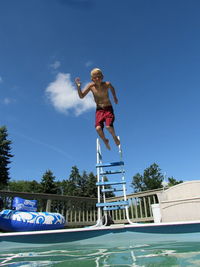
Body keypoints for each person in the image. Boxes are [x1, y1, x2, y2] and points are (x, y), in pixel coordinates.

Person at [75, 68, 120, 150]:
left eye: (99, 77)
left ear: (102, 77)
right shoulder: (91, 86)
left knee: (108, 127)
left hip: (108, 108)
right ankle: (105, 140)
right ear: (92, 79)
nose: (97, 79)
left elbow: (112, 88)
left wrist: (114, 97)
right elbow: (81, 96)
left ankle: (114, 137)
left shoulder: (107, 84)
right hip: (99, 109)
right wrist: (78, 87)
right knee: (98, 128)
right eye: (95, 77)